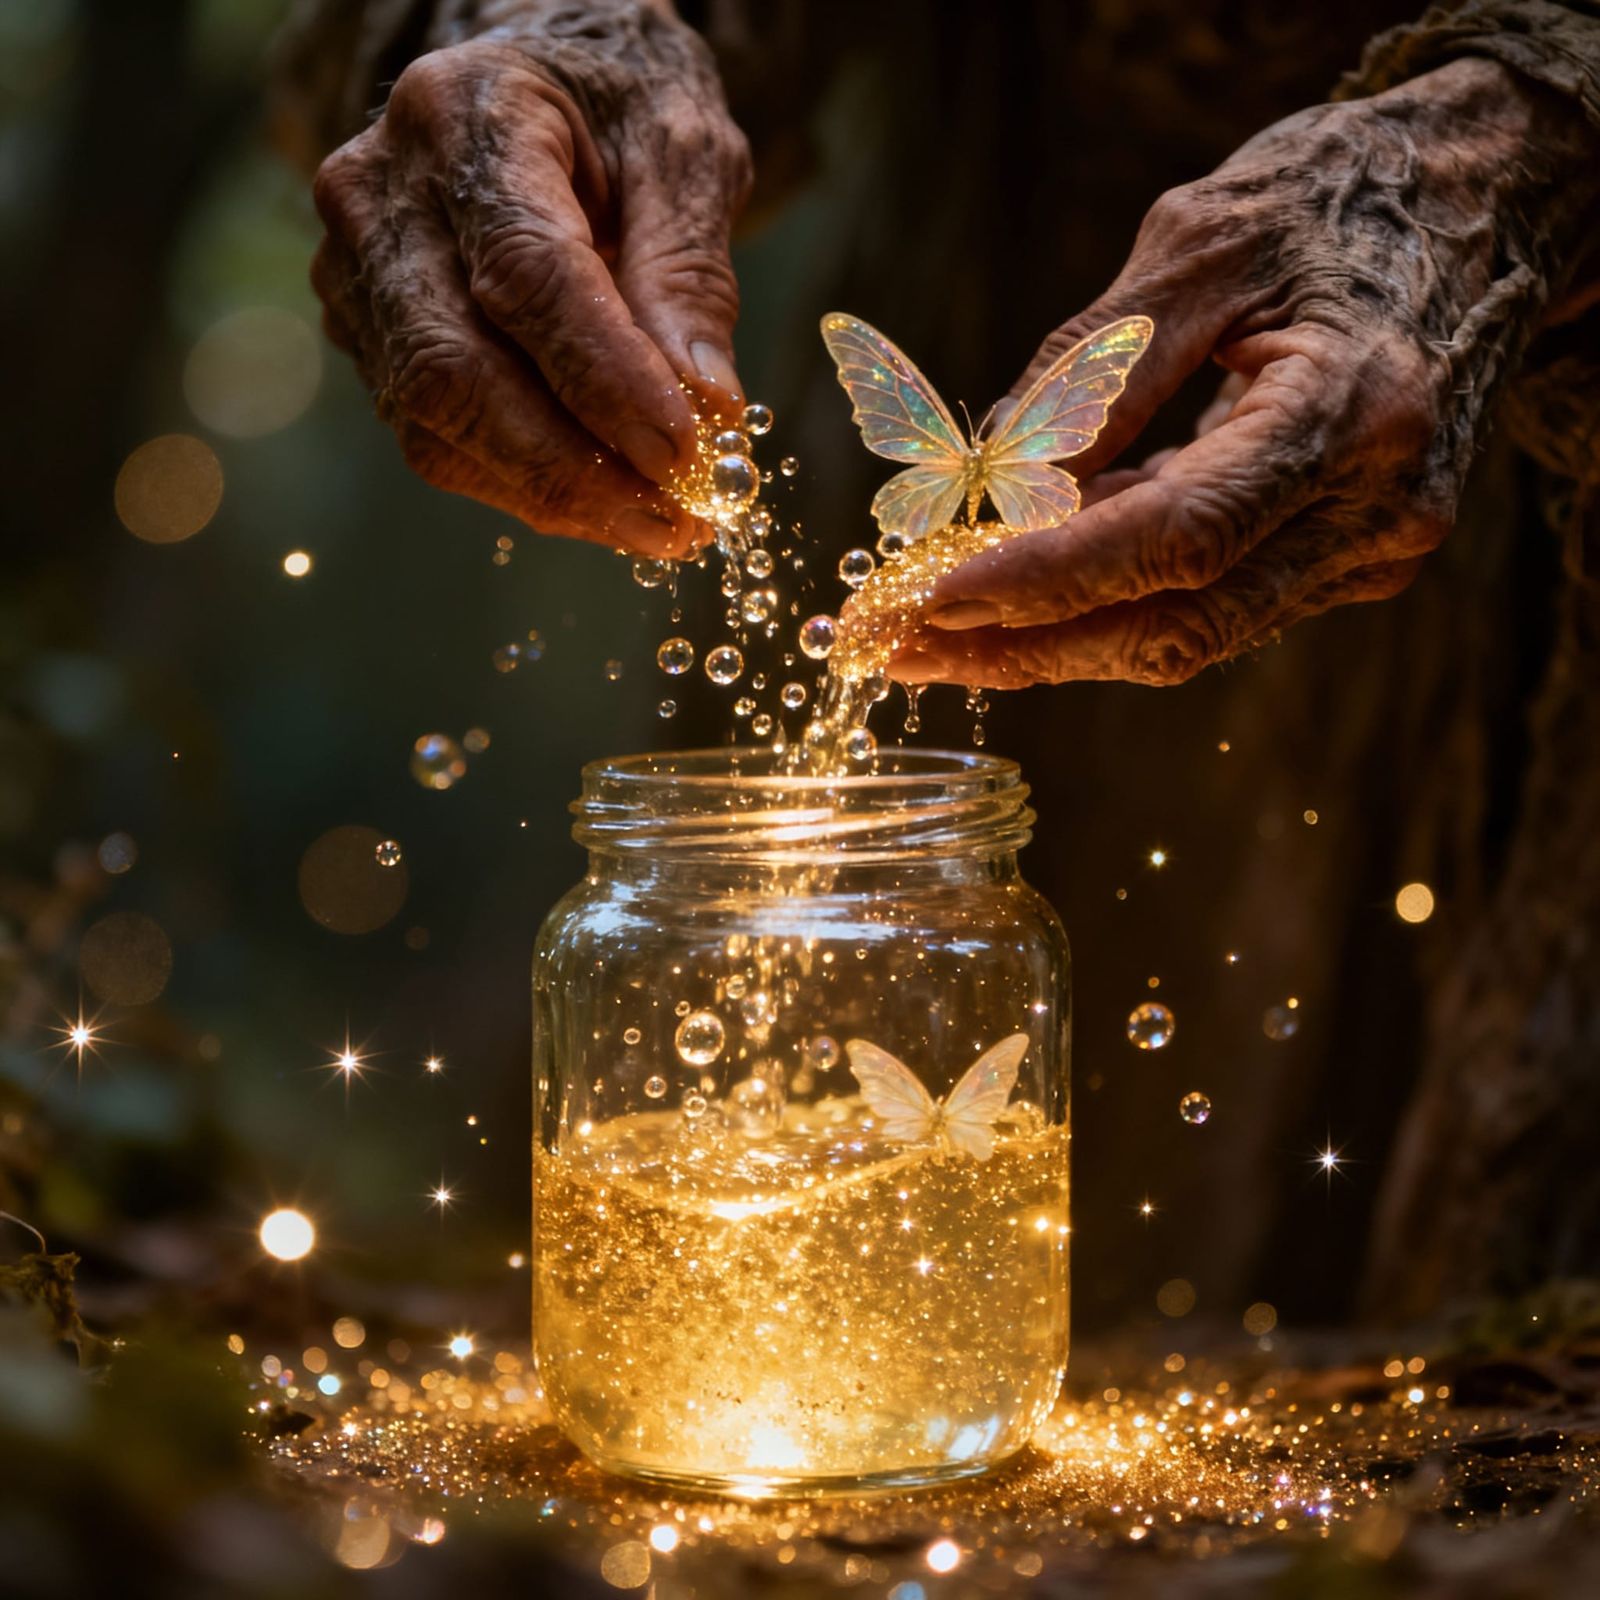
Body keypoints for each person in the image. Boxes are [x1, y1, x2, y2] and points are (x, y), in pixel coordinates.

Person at [275, 1, 1600, 1323]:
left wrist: (1520, 149)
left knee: (1493, 1358)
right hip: (978, 352)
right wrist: (536, 37)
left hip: (1552, 593)